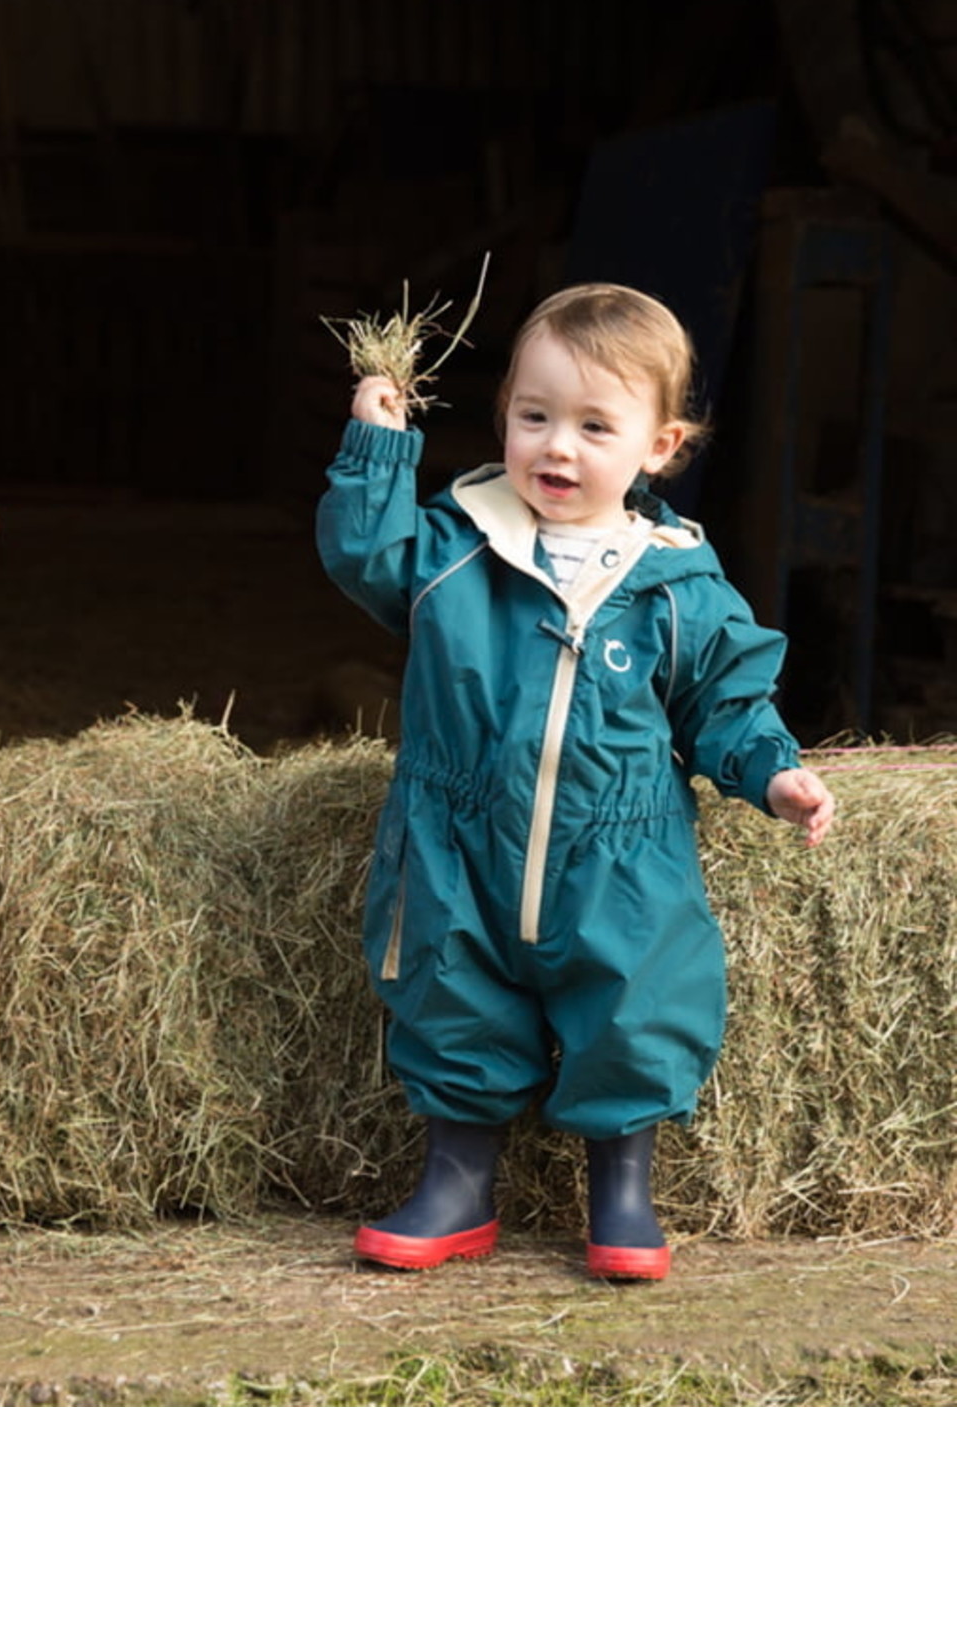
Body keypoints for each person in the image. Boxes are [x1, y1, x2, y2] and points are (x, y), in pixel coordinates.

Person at [317, 281, 835, 1280]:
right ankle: (457, 1182)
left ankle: (623, 1189)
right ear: (503, 415)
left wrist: (775, 774)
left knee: (637, 999)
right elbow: (361, 552)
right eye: (533, 415)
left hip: (620, 851)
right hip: (455, 834)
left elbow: (724, 701)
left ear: (660, 444)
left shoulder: (676, 579)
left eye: (595, 425)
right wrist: (377, 447)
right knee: (446, 989)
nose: (556, 447)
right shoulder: (451, 543)